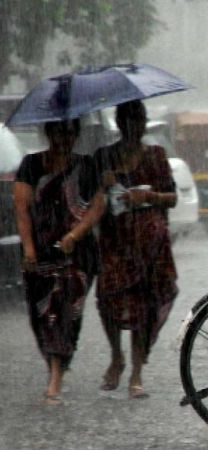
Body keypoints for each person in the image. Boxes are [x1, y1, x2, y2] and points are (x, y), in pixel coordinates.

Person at [91, 100, 178, 399]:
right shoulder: (104, 156)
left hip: (149, 245)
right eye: (128, 120)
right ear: (119, 122)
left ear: (143, 123)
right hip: (114, 242)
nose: (134, 126)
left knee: (144, 306)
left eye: (138, 119)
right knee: (108, 298)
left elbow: (172, 198)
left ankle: (137, 374)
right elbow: (90, 201)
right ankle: (117, 356)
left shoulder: (156, 156)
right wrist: (103, 184)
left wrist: (149, 195)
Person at [13, 119, 102, 405]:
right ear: (48, 133)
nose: (65, 138)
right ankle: (55, 362)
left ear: (76, 134)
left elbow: (97, 205)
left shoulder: (86, 166)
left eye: (70, 132)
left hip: (77, 256)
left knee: (65, 312)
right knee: (41, 316)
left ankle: (55, 378)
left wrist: (75, 234)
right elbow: (22, 209)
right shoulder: (31, 165)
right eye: (59, 132)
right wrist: (28, 248)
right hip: (40, 254)